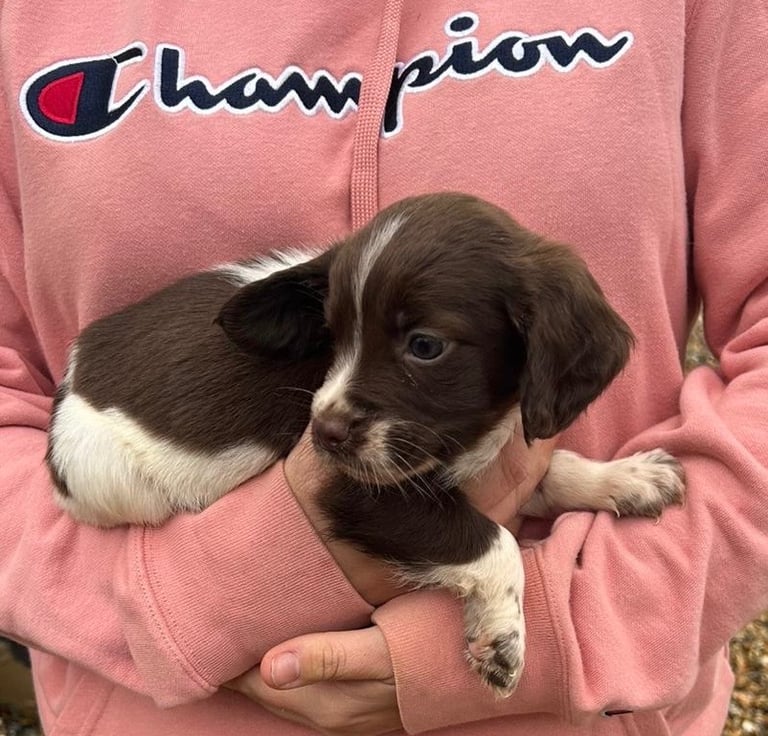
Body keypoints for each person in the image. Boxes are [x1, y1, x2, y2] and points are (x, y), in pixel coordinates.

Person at [1, 1, 766, 734]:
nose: (326, 408)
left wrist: (585, 624)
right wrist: (183, 604)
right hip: (155, 684)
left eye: (424, 346)